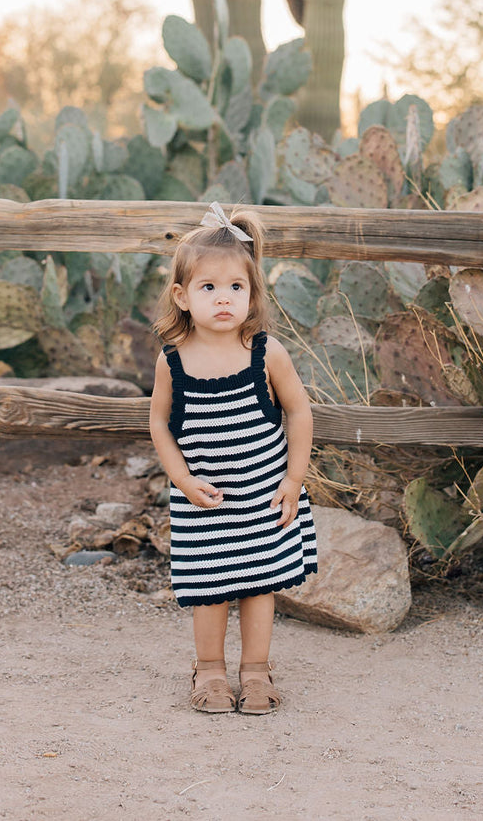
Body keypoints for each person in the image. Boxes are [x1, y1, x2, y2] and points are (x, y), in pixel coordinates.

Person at [148, 201, 317, 715]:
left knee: (259, 585)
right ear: (182, 296)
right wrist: (181, 479)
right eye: (209, 288)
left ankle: (257, 671)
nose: (224, 300)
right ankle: (211, 671)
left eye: (235, 288)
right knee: (209, 589)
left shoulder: (266, 353)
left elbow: (300, 414)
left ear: (252, 293)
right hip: (204, 499)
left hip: (263, 495)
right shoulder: (172, 361)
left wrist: (293, 480)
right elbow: (159, 423)